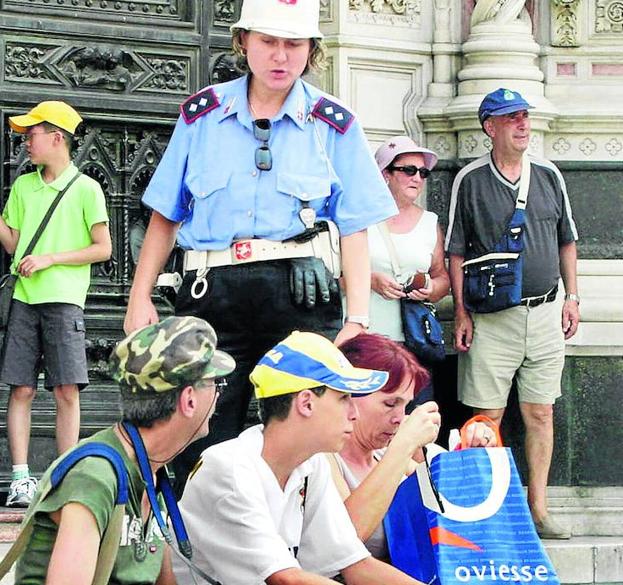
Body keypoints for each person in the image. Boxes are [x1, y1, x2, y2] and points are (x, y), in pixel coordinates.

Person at [123, 0, 397, 488]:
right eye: (268, 41)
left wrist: (357, 317)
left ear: (312, 51)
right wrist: (139, 296)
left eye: (294, 44)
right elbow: (166, 213)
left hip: (300, 299)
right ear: (243, 41)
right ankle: (197, 553)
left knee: (303, 435)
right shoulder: (201, 116)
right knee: (197, 431)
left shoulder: (334, 125)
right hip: (212, 293)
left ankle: (290, 550)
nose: (280, 56)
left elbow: (355, 226)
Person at [175, 331, 429, 585]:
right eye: (343, 398)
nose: (353, 413)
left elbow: (357, 565)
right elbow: (287, 580)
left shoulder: (311, 463)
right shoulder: (229, 468)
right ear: (306, 403)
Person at [8, 316, 235, 585]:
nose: (219, 394)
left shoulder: (151, 471)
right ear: (189, 400)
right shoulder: (95, 477)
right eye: (214, 384)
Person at [445, 88, 579, 539]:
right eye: (511, 118)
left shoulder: (548, 175)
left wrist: (573, 297)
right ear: (490, 127)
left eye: (525, 116)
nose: (523, 124)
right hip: (492, 319)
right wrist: (461, 313)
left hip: (545, 314)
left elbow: (567, 240)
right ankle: (486, 512)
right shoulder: (470, 180)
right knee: (487, 419)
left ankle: (537, 508)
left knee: (541, 412)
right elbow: (456, 252)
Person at [0, 101, 112, 508]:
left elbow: (103, 248)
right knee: (22, 389)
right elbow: (13, 243)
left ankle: (65, 473)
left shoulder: (87, 189)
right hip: (24, 300)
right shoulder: (23, 186)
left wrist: (51, 258)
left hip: (65, 301)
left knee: (67, 390)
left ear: (56, 137)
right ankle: (20, 478)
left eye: (32, 135)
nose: (26, 142)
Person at [330, 333, 497, 561]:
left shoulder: (383, 453)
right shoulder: (323, 458)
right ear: (348, 395)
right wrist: (404, 444)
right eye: (390, 403)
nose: (399, 417)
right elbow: (346, 539)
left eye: (406, 405)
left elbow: (452, 503)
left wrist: (470, 452)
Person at [368, 136, 449, 351]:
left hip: (415, 341)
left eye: (423, 173)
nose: (418, 178)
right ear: (385, 173)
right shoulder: (360, 220)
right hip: (366, 340)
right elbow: (333, 279)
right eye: (409, 170)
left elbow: (441, 276)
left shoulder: (430, 222)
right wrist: (370, 281)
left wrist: (429, 288)